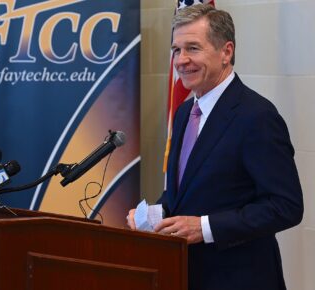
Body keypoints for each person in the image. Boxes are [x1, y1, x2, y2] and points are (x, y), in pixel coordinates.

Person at [127, 4, 303, 290]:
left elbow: (286, 206)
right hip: (185, 275)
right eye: (176, 50)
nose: (181, 60)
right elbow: (184, 194)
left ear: (226, 52)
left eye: (193, 48)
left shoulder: (257, 116)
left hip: (241, 279)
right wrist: (151, 214)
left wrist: (205, 228)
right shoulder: (185, 113)